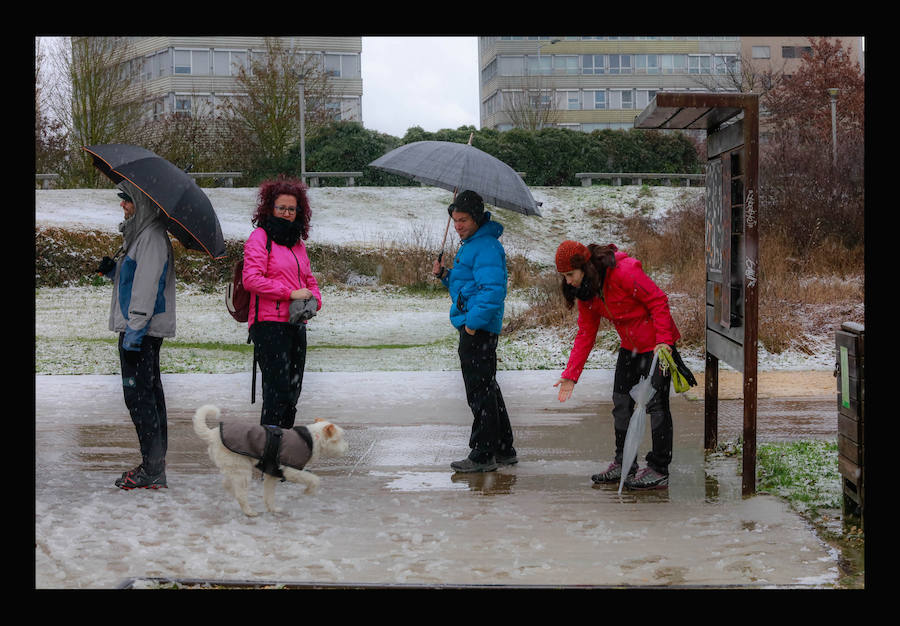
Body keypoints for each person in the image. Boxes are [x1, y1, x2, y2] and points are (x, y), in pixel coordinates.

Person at [552, 240, 695, 490]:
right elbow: (586, 333)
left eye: (570, 275)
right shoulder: (587, 290)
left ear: (585, 267)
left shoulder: (624, 272)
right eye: (563, 276)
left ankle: (659, 468)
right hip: (631, 346)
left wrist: (663, 340)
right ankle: (624, 464)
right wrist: (571, 375)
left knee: (656, 406)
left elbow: (658, 301)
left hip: (657, 345)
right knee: (621, 403)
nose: (568, 281)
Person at [432, 190, 516, 473]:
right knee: (487, 387)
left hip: (477, 329)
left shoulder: (486, 247)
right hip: (475, 326)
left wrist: (472, 323)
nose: (458, 225)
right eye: (455, 220)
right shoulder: (473, 244)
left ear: (477, 218)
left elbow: (492, 291)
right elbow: (466, 286)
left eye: (463, 219)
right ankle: (504, 448)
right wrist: (445, 275)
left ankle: (483, 453)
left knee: (479, 392)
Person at [99, 182, 176, 490]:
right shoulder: (142, 235)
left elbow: (146, 288)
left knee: (140, 397)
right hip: (139, 327)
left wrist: (136, 328)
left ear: (142, 203)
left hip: (140, 331)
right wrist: (113, 272)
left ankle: (153, 467)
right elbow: (135, 280)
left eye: (127, 200)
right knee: (147, 394)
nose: (123, 206)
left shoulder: (152, 238)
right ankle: (154, 463)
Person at [243, 175, 321, 429]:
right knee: (277, 392)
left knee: (292, 391)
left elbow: (309, 279)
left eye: (291, 209)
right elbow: (251, 279)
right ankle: (269, 453)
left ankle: (284, 448)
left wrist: (315, 301)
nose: (287, 213)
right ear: (270, 208)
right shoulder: (260, 237)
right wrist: (290, 293)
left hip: (296, 322)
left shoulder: (298, 243)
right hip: (268, 324)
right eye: (282, 208)